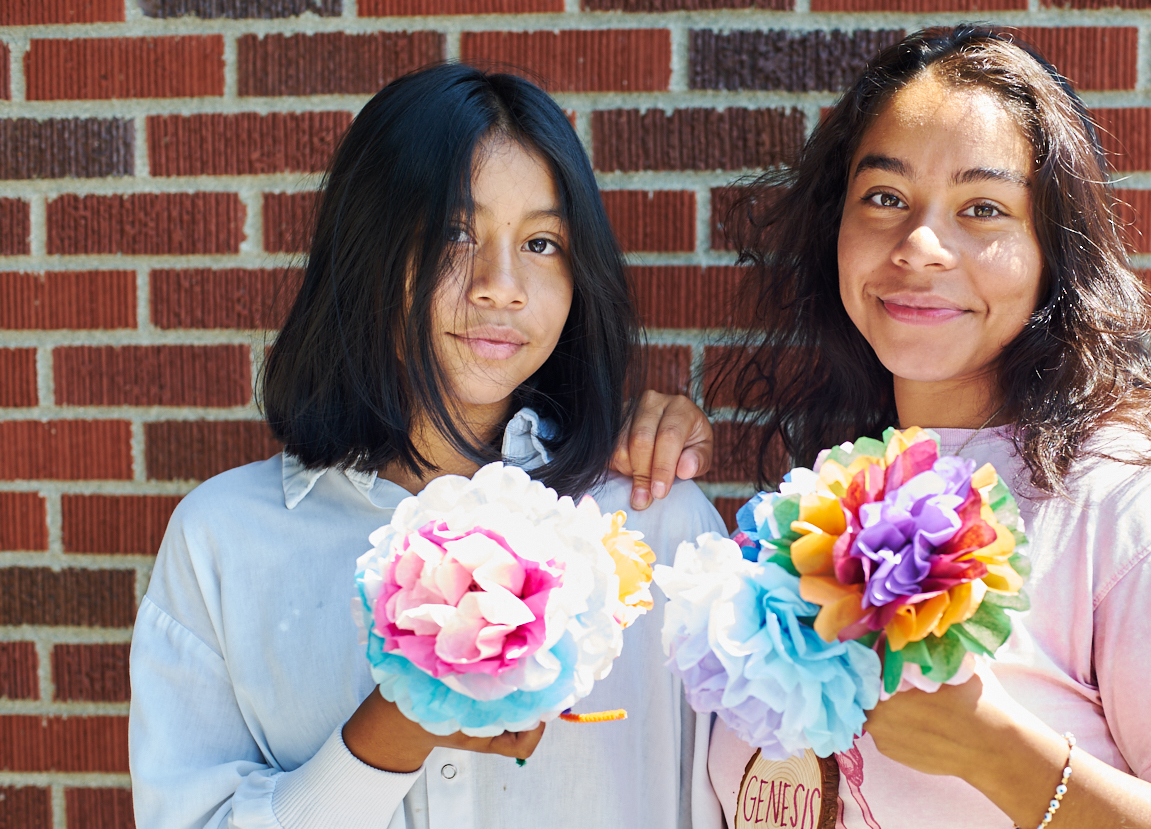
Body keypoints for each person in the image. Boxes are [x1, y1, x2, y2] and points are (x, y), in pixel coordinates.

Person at [702, 25, 1151, 829]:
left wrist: (996, 749)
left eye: (982, 208)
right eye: (884, 197)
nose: (919, 246)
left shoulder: (1139, 504)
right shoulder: (825, 494)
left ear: (1051, 249)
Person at [129, 64, 723, 829]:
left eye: (542, 242)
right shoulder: (224, 542)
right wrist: (392, 732)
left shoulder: (657, 527)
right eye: (453, 232)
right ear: (366, 249)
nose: (500, 284)